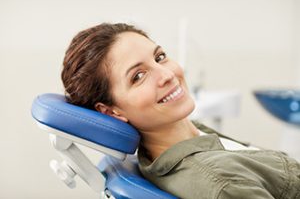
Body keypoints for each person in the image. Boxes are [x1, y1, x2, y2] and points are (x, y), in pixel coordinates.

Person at [61, 23, 300, 199]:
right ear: (112, 112)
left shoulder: (192, 138)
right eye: (138, 76)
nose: (167, 74)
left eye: (160, 57)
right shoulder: (222, 184)